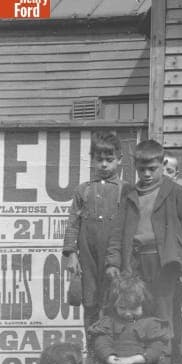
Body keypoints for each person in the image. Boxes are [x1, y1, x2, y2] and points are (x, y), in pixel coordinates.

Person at [105, 139, 182, 364]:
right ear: (135, 166)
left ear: (162, 163)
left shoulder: (175, 191)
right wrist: (113, 261)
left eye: (152, 169)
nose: (146, 174)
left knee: (166, 309)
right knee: (139, 307)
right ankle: (144, 355)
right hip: (136, 260)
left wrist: (173, 247)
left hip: (164, 262)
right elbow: (119, 229)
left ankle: (170, 357)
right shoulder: (130, 193)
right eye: (141, 169)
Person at [63, 131, 131, 343]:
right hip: (88, 256)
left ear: (120, 160)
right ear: (92, 160)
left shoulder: (126, 190)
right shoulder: (83, 190)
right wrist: (71, 254)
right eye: (99, 159)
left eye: (109, 160)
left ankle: (113, 347)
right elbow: (73, 223)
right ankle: (92, 347)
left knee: (114, 299)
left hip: (115, 256)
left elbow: (130, 226)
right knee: (90, 300)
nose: (103, 165)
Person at [161, 152, 182, 364]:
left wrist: (179, 258)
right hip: (152, 264)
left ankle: (176, 354)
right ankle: (157, 355)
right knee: (155, 309)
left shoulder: (179, 194)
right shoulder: (147, 194)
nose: (164, 174)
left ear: (176, 175)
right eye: (161, 168)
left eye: (169, 170)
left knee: (175, 310)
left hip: (174, 263)